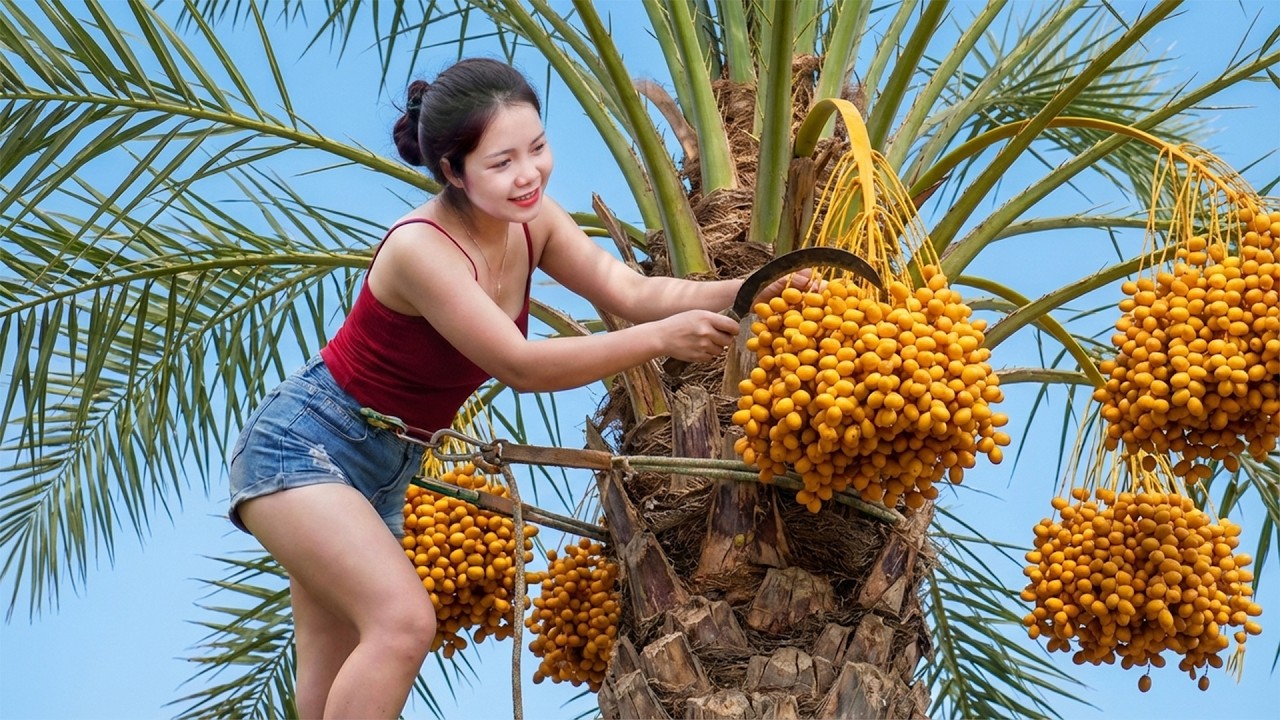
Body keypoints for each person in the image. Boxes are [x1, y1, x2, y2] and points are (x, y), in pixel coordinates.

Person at [226, 57, 808, 719]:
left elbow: (632, 290)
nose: (528, 174)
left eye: (536, 148)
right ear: (452, 170)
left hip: (387, 464)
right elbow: (520, 367)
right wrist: (660, 339)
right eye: (502, 163)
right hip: (307, 444)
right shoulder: (422, 249)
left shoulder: (535, 221)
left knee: (330, 672)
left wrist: (751, 288)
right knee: (401, 623)